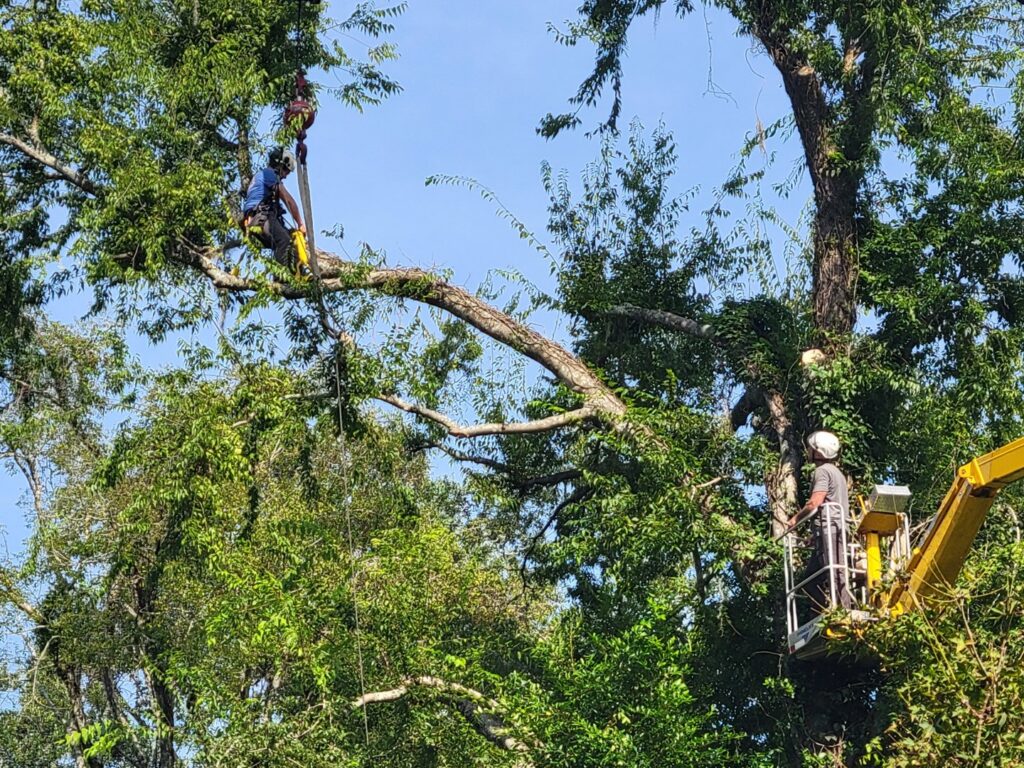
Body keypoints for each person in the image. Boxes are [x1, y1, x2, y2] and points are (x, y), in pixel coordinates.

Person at [790, 430, 855, 613]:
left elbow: (815, 503)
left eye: (810, 448)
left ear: (818, 452)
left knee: (835, 571)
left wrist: (795, 519)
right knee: (811, 580)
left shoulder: (822, 471)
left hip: (832, 529)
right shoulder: (836, 472)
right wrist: (814, 533)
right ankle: (825, 611)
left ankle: (843, 612)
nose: (808, 450)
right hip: (827, 530)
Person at [242, 147, 306, 269]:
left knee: (292, 242)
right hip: (262, 218)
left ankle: (299, 275)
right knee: (284, 242)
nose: (286, 176)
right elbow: (288, 200)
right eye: (286, 171)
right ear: (280, 166)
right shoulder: (269, 175)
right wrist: (300, 224)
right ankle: (281, 282)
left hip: (257, 219)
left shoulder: (261, 175)